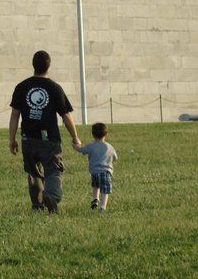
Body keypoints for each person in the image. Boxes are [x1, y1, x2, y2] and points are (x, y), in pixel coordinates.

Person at [9, 50, 81, 213]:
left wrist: (11, 139)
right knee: (54, 169)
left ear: (33, 65)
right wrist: (75, 137)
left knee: (34, 173)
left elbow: (15, 115)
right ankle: (51, 195)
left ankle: (37, 205)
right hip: (49, 139)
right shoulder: (54, 88)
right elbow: (66, 116)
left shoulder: (22, 87)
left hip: (28, 139)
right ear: (49, 66)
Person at [73, 123, 118, 213]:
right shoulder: (110, 147)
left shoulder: (91, 146)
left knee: (96, 186)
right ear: (106, 134)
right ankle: (103, 207)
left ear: (93, 135)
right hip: (105, 172)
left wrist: (75, 146)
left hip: (94, 172)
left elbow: (81, 150)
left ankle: (95, 199)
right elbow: (115, 157)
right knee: (105, 190)